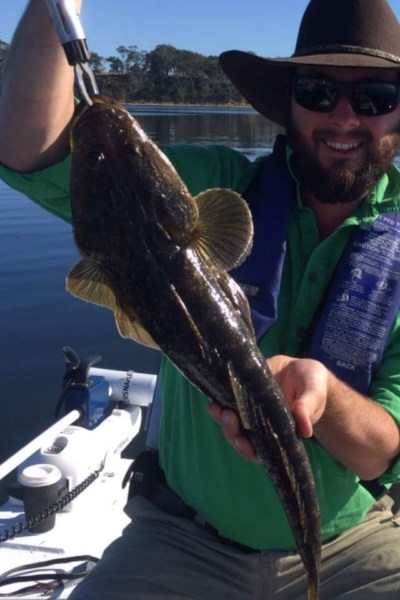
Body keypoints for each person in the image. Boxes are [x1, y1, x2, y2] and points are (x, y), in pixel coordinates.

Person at [1, 0, 400, 597]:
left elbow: (381, 453)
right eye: (318, 91)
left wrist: (324, 394)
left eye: (373, 98)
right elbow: (27, 148)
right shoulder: (213, 187)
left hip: (350, 541)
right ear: (289, 101)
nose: (344, 117)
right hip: (183, 540)